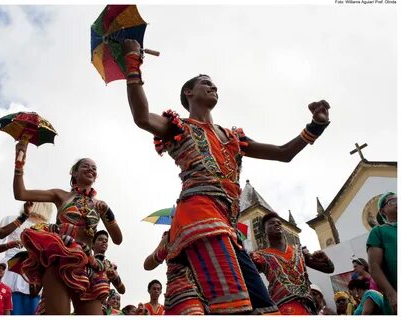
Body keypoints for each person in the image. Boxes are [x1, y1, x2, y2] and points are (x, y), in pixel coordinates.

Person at [122, 39, 330, 314]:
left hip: (228, 226)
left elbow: (283, 153)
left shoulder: (232, 137)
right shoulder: (178, 127)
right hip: (200, 215)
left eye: (215, 85)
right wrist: (132, 63)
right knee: (234, 305)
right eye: (206, 83)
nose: (213, 87)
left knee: (264, 304)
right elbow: (142, 118)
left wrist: (316, 125)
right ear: (188, 92)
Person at [13, 141, 123, 315]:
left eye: (94, 168)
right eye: (86, 166)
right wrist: (19, 162)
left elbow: (117, 239)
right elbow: (21, 193)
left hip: (88, 263)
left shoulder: (100, 205)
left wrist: (108, 213)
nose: (91, 170)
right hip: (60, 257)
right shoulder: (61, 195)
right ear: (74, 172)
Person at [250, 212, 335, 315]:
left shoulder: (298, 251)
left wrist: (325, 259)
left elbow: (329, 269)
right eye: (271, 223)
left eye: (279, 223)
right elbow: (247, 276)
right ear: (264, 232)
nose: (277, 224)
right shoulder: (260, 256)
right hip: (282, 308)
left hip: (308, 308)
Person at [0, 202, 53, 315]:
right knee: (0, 301)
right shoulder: (12, 219)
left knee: (30, 305)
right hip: (10, 266)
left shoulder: (48, 228)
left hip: (33, 270)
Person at [367, 192, 397, 315]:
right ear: (383, 211)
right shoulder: (379, 231)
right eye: (392, 201)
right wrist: (392, 295)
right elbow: (374, 268)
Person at [92, 230, 126, 295]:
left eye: (106, 240)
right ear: (92, 245)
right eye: (100, 239)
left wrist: (115, 277)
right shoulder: (86, 260)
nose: (104, 241)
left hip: (103, 303)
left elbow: (122, 290)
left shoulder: (109, 266)